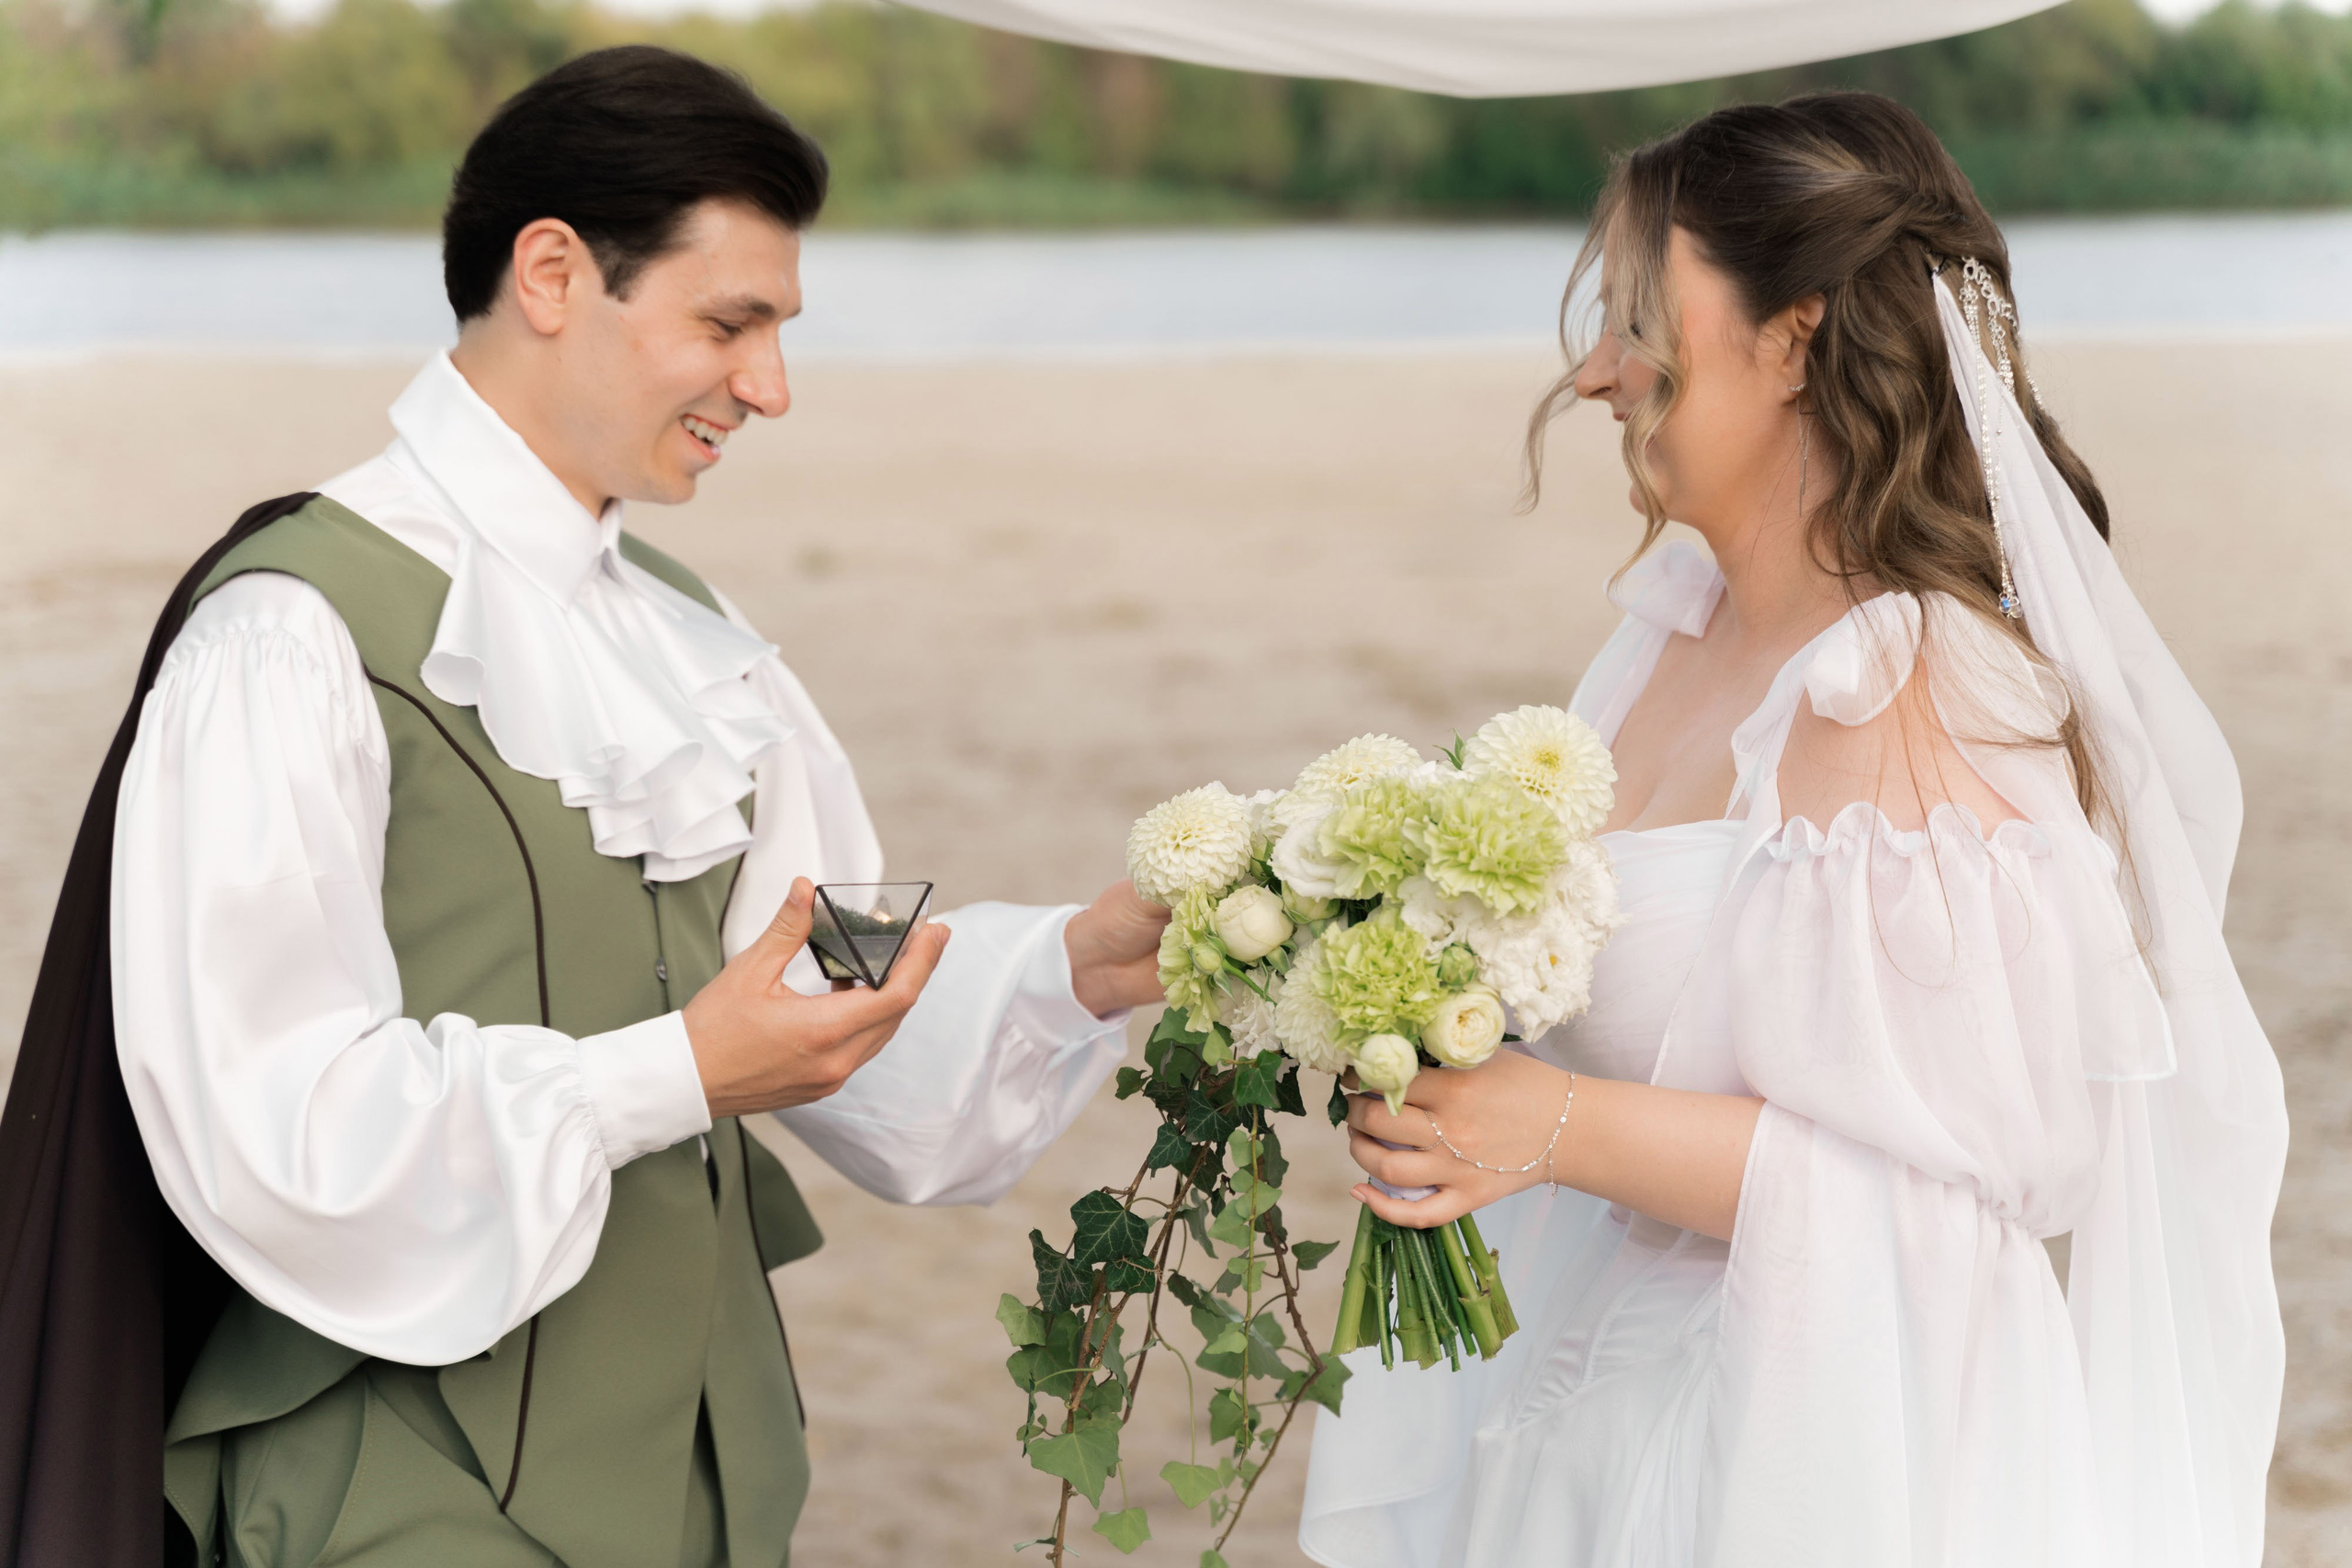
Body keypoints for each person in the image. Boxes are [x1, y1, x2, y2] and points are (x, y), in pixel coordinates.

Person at [0, 45, 1168, 1568]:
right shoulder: (290, 631)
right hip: (399, 1498)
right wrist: (672, 1072)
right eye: (727, 323)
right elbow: (270, 1128)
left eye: (778, 332)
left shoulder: (691, 639)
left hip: (711, 1489)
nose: (771, 386)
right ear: (551, 272)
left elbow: (819, 993)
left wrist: (1088, 959)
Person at [1299, 93, 2287, 1567]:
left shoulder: (1910, 689)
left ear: (1794, 336)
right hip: (1596, 1414)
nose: (1593, 373)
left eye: (1641, 318)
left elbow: (1957, 1204)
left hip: (1832, 1457)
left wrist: (1548, 1126)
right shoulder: (1664, 641)